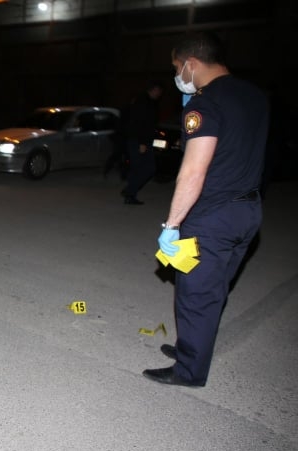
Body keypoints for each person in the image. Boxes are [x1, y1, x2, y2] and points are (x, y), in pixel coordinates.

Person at [143, 32, 268, 387]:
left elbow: (194, 171)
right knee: (214, 288)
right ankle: (191, 346)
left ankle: (189, 370)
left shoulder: (205, 103)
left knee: (195, 294)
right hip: (248, 211)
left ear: (191, 64)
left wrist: (172, 224)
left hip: (212, 215)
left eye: (176, 68)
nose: (177, 75)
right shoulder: (255, 95)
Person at [122, 80, 163, 204]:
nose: (159, 94)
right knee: (146, 168)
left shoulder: (148, 102)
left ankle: (130, 193)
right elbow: (139, 123)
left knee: (140, 168)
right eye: (158, 91)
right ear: (154, 90)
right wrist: (142, 142)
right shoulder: (143, 102)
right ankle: (130, 192)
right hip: (139, 140)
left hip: (141, 140)